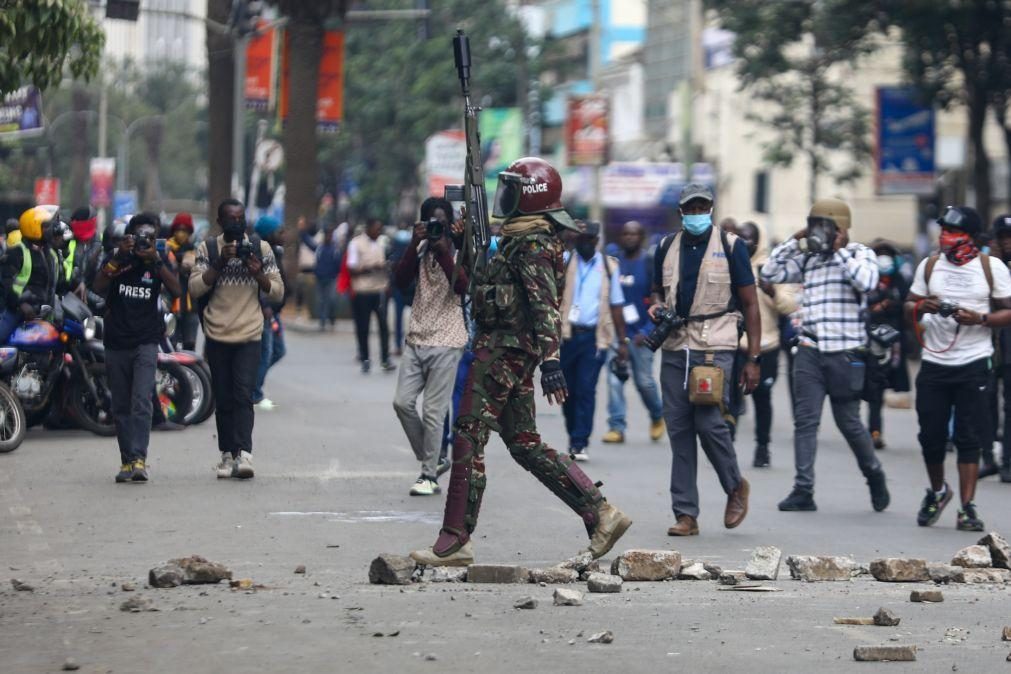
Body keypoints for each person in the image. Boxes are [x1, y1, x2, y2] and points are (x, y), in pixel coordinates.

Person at [410, 157, 632, 566]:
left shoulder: (533, 243)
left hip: (503, 353)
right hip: (505, 349)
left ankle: (456, 538)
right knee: (524, 444)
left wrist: (551, 360)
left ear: (529, 197)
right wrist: (462, 243)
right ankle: (600, 513)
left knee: (467, 433)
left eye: (513, 188)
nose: (505, 196)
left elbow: (545, 306)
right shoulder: (519, 238)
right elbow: (479, 285)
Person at [762, 198, 890, 513]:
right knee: (805, 422)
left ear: (841, 228)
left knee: (849, 422)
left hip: (846, 352)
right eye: (815, 225)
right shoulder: (809, 259)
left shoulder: (860, 254)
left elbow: (866, 282)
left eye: (825, 226)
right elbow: (769, 271)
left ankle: (873, 473)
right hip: (810, 350)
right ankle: (803, 489)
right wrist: (797, 237)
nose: (819, 232)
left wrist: (837, 249)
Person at [648, 184, 759, 537]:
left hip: (715, 345)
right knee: (679, 429)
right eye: (689, 208)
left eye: (702, 206)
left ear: (710, 208)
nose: (696, 213)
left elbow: (751, 304)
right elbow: (655, 291)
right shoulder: (665, 247)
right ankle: (686, 514)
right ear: (681, 211)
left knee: (710, 422)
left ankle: (734, 486)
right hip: (676, 345)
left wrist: (753, 358)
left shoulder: (731, 246)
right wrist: (655, 306)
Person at [904, 207, 1011, 531]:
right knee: (931, 436)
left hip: (974, 361)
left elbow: (1009, 311)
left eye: (953, 231)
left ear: (970, 238)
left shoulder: (990, 268)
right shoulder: (931, 264)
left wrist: (979, 319)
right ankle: (938, 491)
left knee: (968, 437)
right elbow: (908, 304)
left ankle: (967, 507)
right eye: (943, 230)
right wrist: (923, 305)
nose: (945, 236)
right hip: (935, 364)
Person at [189, 199, 284, 480]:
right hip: (217, 333)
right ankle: (227, 454)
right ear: (220, 221)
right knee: (224, 397)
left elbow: (278, 291)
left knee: (243, 394)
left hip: (249, 332)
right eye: (230, 218)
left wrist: (258, 273)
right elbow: (194, 289)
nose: (236, 224)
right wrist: (219, 262)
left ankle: (244, 454)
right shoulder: (208, 248)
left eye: (241, 218)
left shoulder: (260, 248)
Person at [94, 213, 181, 483]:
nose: (146, 242)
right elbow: (97, 287)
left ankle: (140, 458)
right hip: (116, 341)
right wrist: (119, 257)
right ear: (130, 236)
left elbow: (177, 290)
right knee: (119, 404)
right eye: (141, 236)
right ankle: (127, 460)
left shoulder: (157, 261)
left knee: (141, 401)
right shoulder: (118, 258)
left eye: (151, 237)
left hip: (146, 341)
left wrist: (155, 260)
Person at [392, 198, 467, 496]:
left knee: (434, 412)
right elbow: (399, 281)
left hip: (448, 339)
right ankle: (434, 459)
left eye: (442, 223)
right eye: (431, 223)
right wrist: (415, 244)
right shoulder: (420, 249)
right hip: (417, 336)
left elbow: (462, 286)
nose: (437, 229)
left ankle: (428, 475)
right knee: (402, 402)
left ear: (450, 225)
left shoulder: (461, 250)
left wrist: (445, 251)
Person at [725, 220, 800, 467]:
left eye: (748, 238)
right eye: (740, 237)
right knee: (731, 398)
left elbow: (789, 306)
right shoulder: (729, 265)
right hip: (734, 345)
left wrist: (772, 292)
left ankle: (762, 447)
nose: (744, 242)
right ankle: (728, 448)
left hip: (766, 346)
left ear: (758, 242)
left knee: (762, 398)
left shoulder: (771, 270)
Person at [558, 220, 628, 461]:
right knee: (568, 391)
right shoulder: (565, 261)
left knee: (586, 389)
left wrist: (622, 343)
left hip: (593, 339)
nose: (585, 244)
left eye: (589, 240)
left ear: (596, 241)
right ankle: (573, 434)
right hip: (567, 336)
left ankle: (580, 442)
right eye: (581, 239)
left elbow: (616, 305)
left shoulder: (609, 267)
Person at [602, 221, 665, 445]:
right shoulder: (613, 263)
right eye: (625, 233)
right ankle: (616, 427)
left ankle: (658, 416)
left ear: (641, 237)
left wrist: (648, 330)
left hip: (642, 336)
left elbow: (659, 300)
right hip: (617, 335)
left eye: (634, 234)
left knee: (644, 382)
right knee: (614, 379)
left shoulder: (649, 263)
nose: (629, 237)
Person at [864, 240, 912, 450]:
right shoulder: (866, 279)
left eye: (887, 254)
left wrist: (889, 305)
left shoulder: (899, 281)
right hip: (867, 341)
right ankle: (870, 431)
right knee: (869, 387)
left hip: (892, 343)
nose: (884, 258)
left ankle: (875, 431)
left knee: (880, 387)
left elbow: (908, 307)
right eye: (879, 253)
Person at [0, 207, 64, 344]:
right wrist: (21, 304)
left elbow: (59, 284)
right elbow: (6, 283)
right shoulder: (17, 252)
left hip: (45, 311)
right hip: (18, 311)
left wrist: (79, 283)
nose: (51, 230)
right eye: (46, 226)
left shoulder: (51, 254)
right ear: (33, 228)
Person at [252, 215, 288, 410]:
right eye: (279, 231)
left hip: (273, 310)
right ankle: (254, 392)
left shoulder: (275, 251)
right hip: (265, 310)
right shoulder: (259, 250)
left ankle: (252, 387)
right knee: (268, 351)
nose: (283, 235)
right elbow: (257, 279)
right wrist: (265, 304)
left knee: (277, 350)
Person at [347, 218, 392, 372]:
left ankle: (385, 358)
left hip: (379, 290)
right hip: (362, 291)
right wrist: (371, 268)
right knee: (363, 326)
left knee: (383, 326)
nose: (378, 232)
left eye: (380, 230)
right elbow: (351, 269)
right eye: (376, 229)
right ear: (368, 228)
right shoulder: (355, 244)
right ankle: (365, 357)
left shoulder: (381, 243)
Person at [990, 213, 1011, 483]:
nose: (1008, 242)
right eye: (1004, 237)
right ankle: (1004, 461)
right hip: (999, 349)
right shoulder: (991, 267)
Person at [167, 212, 199, 350]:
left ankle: (188, 372)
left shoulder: (195, 250)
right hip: (170, 304)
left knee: (189, 345)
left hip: (190, 305)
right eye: (178, 229)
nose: (181, 233)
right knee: (170, 344)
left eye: (185, 230)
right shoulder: (166, 249)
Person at [388, 219, 416, 356]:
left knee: (399, 318)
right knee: (414, 317)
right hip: (409, 286)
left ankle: (399, 345)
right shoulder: (412, 241)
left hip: (401, 286)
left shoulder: (396, 241)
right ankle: (408, 344)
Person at [312, 225, 341, 331]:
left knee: (332, 299)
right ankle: (322, 322)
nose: (328, 237)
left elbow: (339, 263)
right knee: (321, 300)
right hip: (320, 278)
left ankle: (332, 318)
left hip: (332, 278)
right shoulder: (320, 248)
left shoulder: (335, 249)